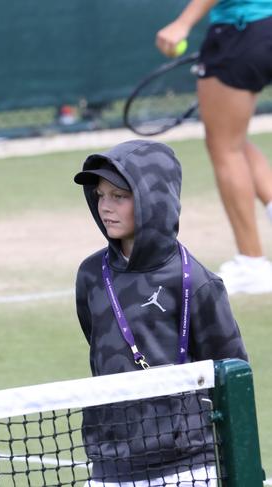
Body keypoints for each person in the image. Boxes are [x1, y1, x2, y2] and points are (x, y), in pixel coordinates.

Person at [73, 140, 248, 485]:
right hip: (113, 467)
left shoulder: (197, 281)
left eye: (119, 196)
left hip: (190, 466)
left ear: (153, 199)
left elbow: (232, 374)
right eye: (100, 195)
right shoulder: (91, 275)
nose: (105, 206)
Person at [156, 0, 272, 295]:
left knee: (225, 146)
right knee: (231, 138)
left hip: (242, 28)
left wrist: (183, 23)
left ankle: (251, 264)